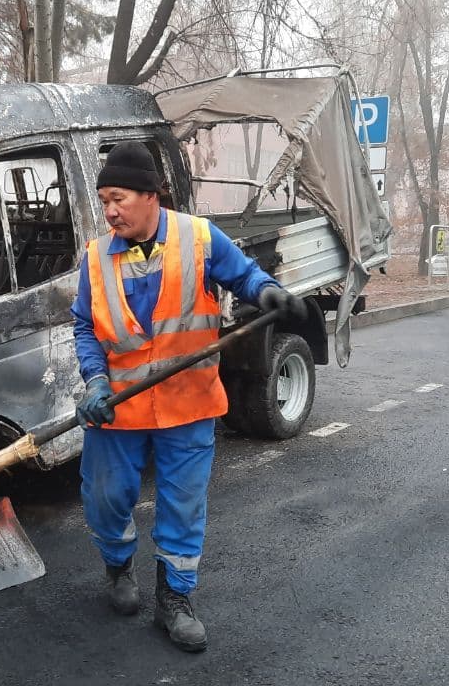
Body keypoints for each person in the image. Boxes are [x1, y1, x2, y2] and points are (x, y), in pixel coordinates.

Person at [70, 142, 307, 653]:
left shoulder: (199, 237)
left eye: (119, 198)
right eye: (104, 200)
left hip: (188, 403)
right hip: (119, 405)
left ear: (152, 194)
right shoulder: (95, 256)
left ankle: (174, 600)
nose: (110, 211)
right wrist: (93, 381)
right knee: (106, 498)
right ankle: (118, 568)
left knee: (182, 505)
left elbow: (243, 275)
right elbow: (85, 326)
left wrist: (267, 293)